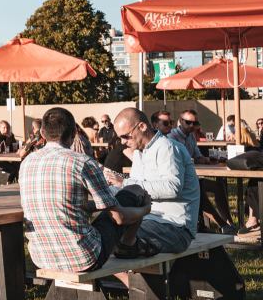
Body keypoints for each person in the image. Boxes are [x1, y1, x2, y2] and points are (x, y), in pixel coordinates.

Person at [20, 107, 154, 274]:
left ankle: (130, 246)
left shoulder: (26, 163)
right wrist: (145, 209)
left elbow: (64, 204)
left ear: (42, 133)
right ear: (73, 133)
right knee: (133, 191)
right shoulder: (82, 162)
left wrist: (94, 206)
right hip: (83, 258)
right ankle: (129, 246)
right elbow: (119, 218)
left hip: (41, 257)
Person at [113, 108, 200, 255]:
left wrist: (124, 184)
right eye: (120, 138)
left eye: (126, 136)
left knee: (113, 237)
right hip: (149, 221)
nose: (123, 142)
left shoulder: (168, 147)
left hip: (175, 227)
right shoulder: (140, 151)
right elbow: (136, 191)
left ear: (142, 126)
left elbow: (172, 188)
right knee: (102, 229)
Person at [171, 109, 235, 234]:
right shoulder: (172, 136)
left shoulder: (191, 136)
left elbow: (197, 156)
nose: (191, 126)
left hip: (191, 176)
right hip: (179, 179)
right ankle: (222, 225)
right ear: (180, 121)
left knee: (218, 186)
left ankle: (228, 222)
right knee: (198, 189)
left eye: (194, 123)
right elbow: (177, 161)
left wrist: (207, 159)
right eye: (188, 122)